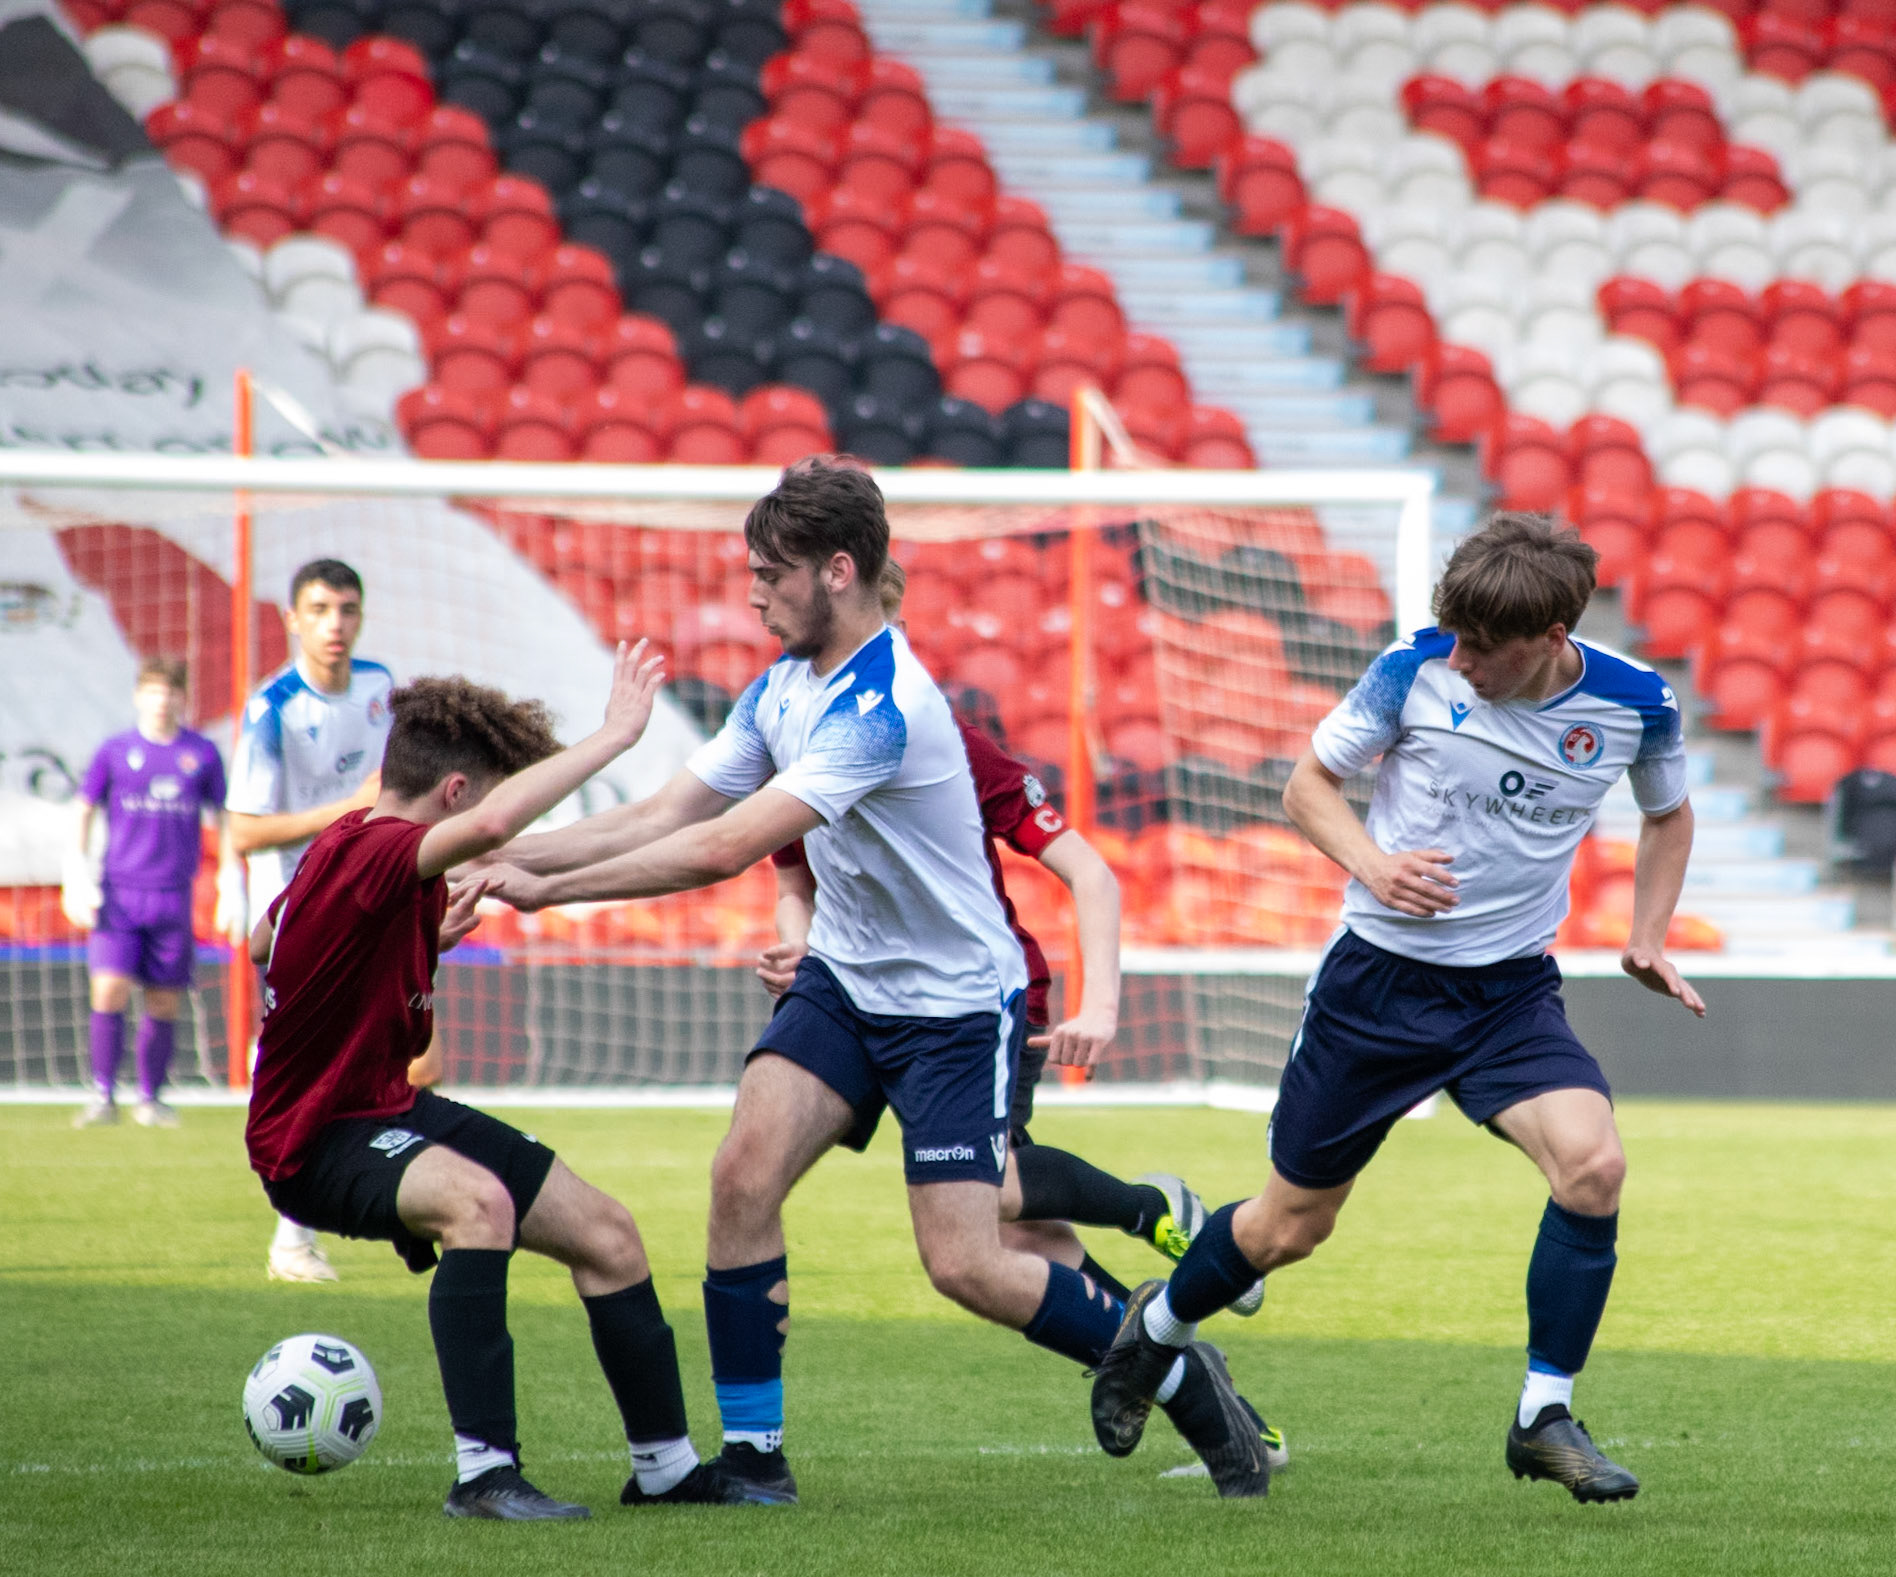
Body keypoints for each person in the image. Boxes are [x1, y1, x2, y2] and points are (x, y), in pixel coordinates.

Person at [484, 463, 1270, 1503]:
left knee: (967, 1261)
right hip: (846, 984)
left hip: (954, 1009)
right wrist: (505, 855)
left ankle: (1183, 1376)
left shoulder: (881, 708)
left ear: (839, 571)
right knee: (741, 1175)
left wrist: (543, 890)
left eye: (770, 575)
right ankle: (755, 1460)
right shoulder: (781, 688)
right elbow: (666, 812)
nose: (751, 596)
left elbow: (720, 847)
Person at [1088, 513, 1703, 1504]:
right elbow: (1307, 787)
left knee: (1594, 1165)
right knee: (1290, 1228)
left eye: (1483, 647)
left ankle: (1543, 1414)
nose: (1461, 661)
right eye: (1454, 638)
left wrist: (1648, 933)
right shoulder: (1412, 669)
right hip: (1378, 987)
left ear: (1552, 638)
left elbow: (1668, 815)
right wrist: (1374, 864)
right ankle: (1155, 1333)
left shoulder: (1637, 703)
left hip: (1507, 994)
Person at [246, 649, 743, 1518]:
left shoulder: (348, 848)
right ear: (454, 792)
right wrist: (614, 735)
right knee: (479, 1206)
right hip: (316, 1139)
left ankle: (666, 1468)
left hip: (385, 1106)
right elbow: (489, 829)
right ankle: (484, 1475)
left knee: (607, 1232)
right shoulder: (378, 849)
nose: (485, 821)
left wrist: (406, 942)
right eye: (482, 798)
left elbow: (263, 938)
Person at [759, 561, 1269, 1326]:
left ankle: (1150, 1211)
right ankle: (1163, 1351)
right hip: (868, 997)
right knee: (1014, 1230)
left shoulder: (948, 747)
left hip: (978, 997)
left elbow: (1091, 873)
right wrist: (798, 947)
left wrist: (1100, 1008)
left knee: (984, 1192)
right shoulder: (794, 746)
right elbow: (793, 881)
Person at [227, 558, 392, 1283]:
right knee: (328, 1063)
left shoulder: (381, 687)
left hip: (367, 895)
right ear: (292, 619)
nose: (336, 624)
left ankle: (397, 1199)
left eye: (347, 609)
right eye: (320, 610)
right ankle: (294, 1236)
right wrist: (345, 812)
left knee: (408, 1057)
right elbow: (243, 831)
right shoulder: (272, 710)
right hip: (296, 908)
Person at [67, 657, 233, 1128]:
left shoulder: (201, 753)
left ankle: (150, 1098)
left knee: (164, 999)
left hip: (173, 895)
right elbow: (83, 807)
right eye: (154, 691)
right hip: (119, 894)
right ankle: (102, 1094)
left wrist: (231, 877)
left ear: (183, 698)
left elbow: (223, 817)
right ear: (139, 696)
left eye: (171, 691)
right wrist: (75, 868)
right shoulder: (115, 750)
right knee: (109, 988)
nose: (163, 700)